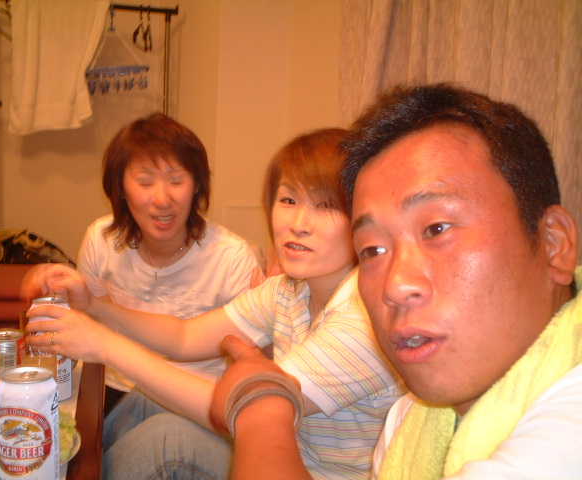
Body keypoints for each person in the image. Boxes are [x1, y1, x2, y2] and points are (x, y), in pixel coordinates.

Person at [208, 83, 581, 479]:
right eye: (372, 250)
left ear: (554, 243)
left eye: (436, 229)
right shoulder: (409, 419)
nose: (395, 285)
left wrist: (261, 403)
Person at [23, 128, 402, 480]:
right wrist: (95, 306)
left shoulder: (364, 321)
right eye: (288, 200)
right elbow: (185, 336)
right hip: (286, 448)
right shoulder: (289, 289)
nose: (299, 223)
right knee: (145, 402)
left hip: (309, 471)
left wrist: (102, 343)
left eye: (326, 206)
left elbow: (247, 408)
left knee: (167, 440)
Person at [65, 112, 262, 413]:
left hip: (194, 399)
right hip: (117, 389)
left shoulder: (231, 258)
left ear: (197, 185)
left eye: (176, 180)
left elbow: (249, 359)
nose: (162, 199)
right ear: (121, 188)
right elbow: (86, 325)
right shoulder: (101, 240)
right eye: (145, 182)